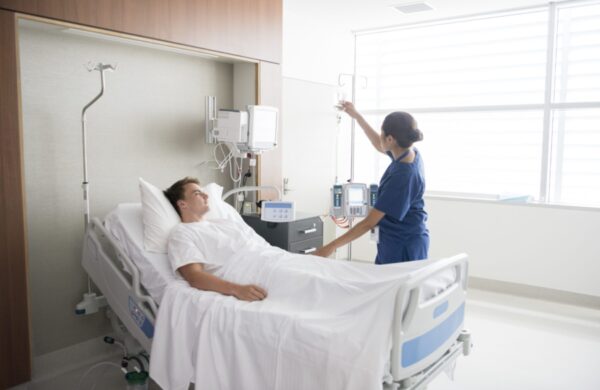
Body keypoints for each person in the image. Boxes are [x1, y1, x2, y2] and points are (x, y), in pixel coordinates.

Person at [314, 101, 429, 263]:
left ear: (390, 139)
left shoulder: (402, 176)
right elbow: (379, 144)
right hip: (403, 238)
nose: (380, 136)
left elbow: (368, 223)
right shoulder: (408, 151)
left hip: (403, 244)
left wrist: (330, 247)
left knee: (396, 287)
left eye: (382, 133)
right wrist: (356, 116)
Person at [163, 177, 268, 302]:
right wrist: (237, 289)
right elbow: (194, 276)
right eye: (197, 193)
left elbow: (263, 247)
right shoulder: (182, 233)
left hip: (270, 261)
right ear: (182, 204)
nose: (206, 196)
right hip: (250, 273)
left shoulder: (226, 223)